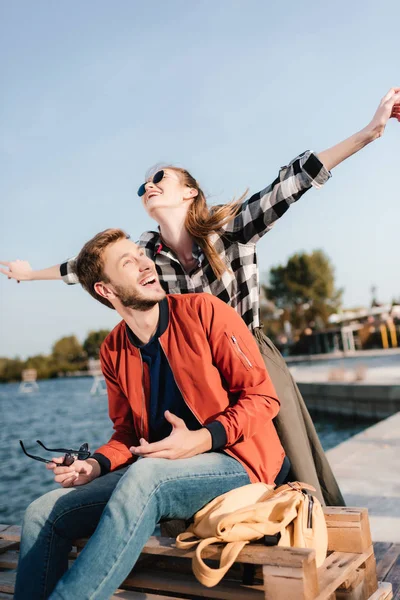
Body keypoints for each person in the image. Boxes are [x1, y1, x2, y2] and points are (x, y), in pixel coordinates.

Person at [3, 88, 400, 506]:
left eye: (160, 179)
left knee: (293, 471)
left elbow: (293, 182)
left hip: (251, 363)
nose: (148, 186)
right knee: (198, 475)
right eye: (143, 185)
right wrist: (30, 276)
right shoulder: (148, 255)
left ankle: (313, 544)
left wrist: (369, 132)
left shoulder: (231, 232)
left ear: (190, 192)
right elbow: (85, 265)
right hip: (196, 377)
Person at [15, 228, 288, 600]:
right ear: (105, 290)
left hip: (238, 460)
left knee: (148, 475)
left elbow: (264, 398)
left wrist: (203, 439)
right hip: (158, 473)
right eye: (129, 262)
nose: (146, 263)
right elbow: (127, 434)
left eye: (142, 256)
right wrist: (94, 465)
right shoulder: (112, 349)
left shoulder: (205, 312)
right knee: (41, 512)